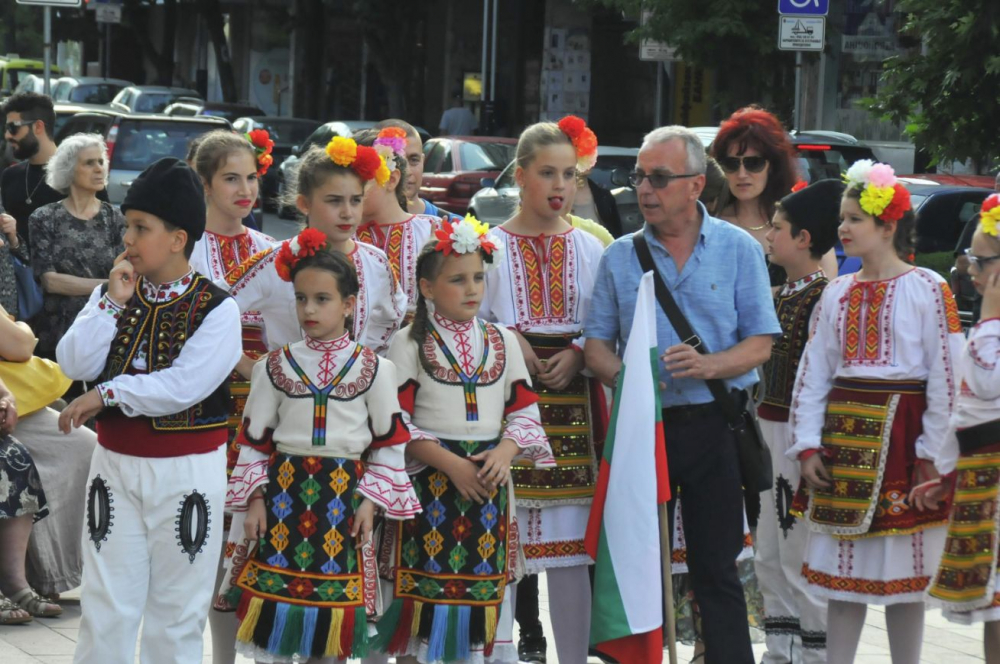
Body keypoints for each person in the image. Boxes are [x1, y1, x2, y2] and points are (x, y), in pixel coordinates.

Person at [584, 125, 780, 664]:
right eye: (639, 177)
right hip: (642, 431)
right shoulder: (620, 256)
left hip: (715, 424)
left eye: (659, 178)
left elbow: (761, 344)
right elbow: (595, 347)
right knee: (633, 562)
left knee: (716, 568)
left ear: (695, 186)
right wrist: (631, 381)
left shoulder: (738, 248)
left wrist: (708, 365)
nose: (644, 189)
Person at [55, 157, 242, 664]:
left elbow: (184, 386)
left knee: (177, 610)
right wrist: (110, 304)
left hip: (186, 472)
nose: (128, 240)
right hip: (114, 466)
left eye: (141, 228)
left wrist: (106, 394)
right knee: (106, 602)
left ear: (178, 239)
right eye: (127, 226)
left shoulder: (218, 309)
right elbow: (72, 360)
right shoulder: (116, 292)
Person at [789, 161, 964, 664]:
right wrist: (805, 445)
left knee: (903, 584)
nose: (841, 228)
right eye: (841, 219)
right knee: (845, 583)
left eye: (852, 220)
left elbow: (947, 377)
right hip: (843, 446)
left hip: (903, 444)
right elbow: (813, 373)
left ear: (886, 225)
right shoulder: (837, 293)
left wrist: (933, 453)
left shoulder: (929, 288)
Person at [222, 236, 420, 662]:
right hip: (282, 499)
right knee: (274, 619)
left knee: (332, 626)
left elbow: (389, 446)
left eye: (322, 299)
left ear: (349, 304)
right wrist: (255, 501)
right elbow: (253, 443)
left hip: (343, 502)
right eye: (301, 299)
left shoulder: (375, 369)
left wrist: (370, 504)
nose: (309, 310)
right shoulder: (273, 366)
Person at [373, 217, 555, 663]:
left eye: (477, 277)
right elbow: (394, 422)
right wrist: (451, 464)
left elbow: (524, 410)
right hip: (428, 489)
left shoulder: (503, 341)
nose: (472, 289)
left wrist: (507, 451)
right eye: (457, 280)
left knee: (478, 612)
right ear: (428, 288)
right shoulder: (408, 344)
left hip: (488, 490)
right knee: (420, 611)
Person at [479, 116, 605, 664]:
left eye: (569, 175)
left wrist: (578, 352)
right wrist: (509, 344)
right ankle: (499, 655)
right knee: (503, 546)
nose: (559, 186)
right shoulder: (488, 248)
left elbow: (605, 324)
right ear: (521, 177)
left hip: (575, 411)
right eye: (547, 173)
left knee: (572, 555)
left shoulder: (592, 249)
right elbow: (469, 320)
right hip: (505, 408)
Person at [187, 128, 277, 664]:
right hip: (209, 406)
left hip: (265, 408)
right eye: (230, 178)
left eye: (251, 177)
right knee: (213, 540)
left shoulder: (271, 249)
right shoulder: (187, 247)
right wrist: (243, 365)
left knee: (255, 534)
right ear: (204, 183)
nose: (245, 189)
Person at [753, 179, 844, 663]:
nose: (769, 235)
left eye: (778, 227)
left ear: (804, 238)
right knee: (769, 551)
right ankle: (779, 648)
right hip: (767, 431)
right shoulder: (780, 294)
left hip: (797, 436)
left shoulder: (823, 300)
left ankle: (813, 653)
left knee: (799, 551)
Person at [916, 193, 1000, 664]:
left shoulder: (992, 326)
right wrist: (947, 474)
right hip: (982, 472)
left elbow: (986, 383)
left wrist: (989, 314)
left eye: (981, 260)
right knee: (993, 606)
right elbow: (966, 409)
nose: (970, 269)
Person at [225, 138, 406, 354]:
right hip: (287, 384)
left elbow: (391, 318)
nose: (347, 212)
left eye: (355, 200)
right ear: (304, 204)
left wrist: (368, 359)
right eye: (334, 201)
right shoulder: (274, 260)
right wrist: (248, 365)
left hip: (356, 385)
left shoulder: (376, 262)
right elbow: (215, 308)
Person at [0, 302, 97, 603]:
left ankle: (48, 573)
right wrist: (23, 330)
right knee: (12, 459)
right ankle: (15, 581)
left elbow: (17, 345)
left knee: (84, 447)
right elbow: (20, 344)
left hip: (16, 398)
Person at [711, 106, 838, 286]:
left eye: (753, 163)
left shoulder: (803, 222)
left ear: (773, 166)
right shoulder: (712, 225)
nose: (741, 174)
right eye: (731, 164)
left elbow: (826, 286)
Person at [29, 134, 124, 361]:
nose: (99, 169)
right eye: (89, 163)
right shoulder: (44, 218)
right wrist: (108, 285)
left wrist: (113, 286)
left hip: (105, 329)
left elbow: (125, 277)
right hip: (58, 331)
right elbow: (51, 281)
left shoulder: (114, 217)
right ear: (69, 169)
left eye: (101, 162)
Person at [354, 128, 439, 318]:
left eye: (361, 179)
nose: (351, 188)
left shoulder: (433, 230)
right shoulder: (341, 235)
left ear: (391, 180)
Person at [0, 92, 59, 251]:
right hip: (19, 273)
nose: (7, 135)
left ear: (38, 126)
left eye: (13, 128)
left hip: (67, 275)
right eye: (6, 128)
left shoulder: (77, 174)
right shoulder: (10, 175)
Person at [373, 119, 458, 221]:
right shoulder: (352, 230)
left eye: (414, 160)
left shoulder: (457, 230)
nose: (407, 171)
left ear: (423, 161)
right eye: (395, 160)